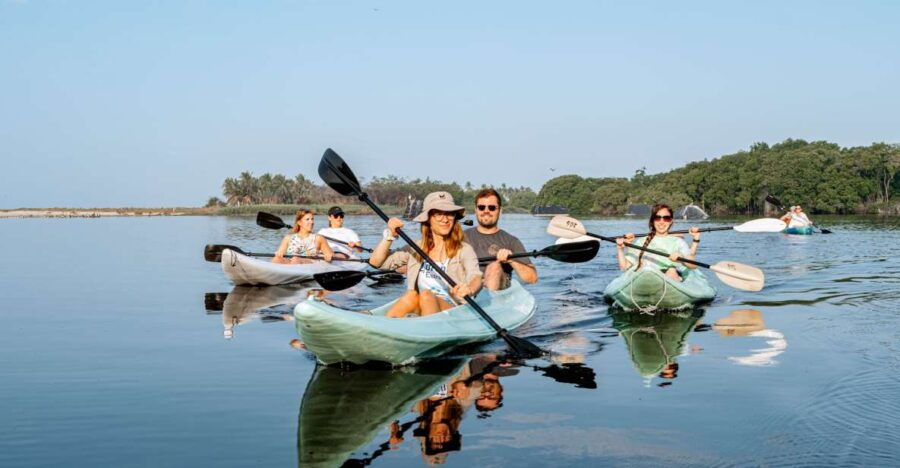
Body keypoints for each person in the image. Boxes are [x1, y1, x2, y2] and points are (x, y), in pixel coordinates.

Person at [369, 191, 482, 318]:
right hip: (421, 305)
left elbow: (476, 276)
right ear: (428, 219)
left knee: (426, 295)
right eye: (438, 214)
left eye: (449, 214)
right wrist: (390, 235)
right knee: (411, 295)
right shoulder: (416, 248)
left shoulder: (464, 249)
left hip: (454, 309)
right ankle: (388, 324)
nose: (445, 219)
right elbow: (376, 262)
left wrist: (470, 289)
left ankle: (422, 327)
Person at [463, 188, 537, 291]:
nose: (486, 211)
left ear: (500, 211)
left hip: (498, 292)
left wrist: (511, 260)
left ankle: (487, 298)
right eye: (481, 207)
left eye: (492, 208)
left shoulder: (511, 241)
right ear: (476, 210)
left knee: (494, 267)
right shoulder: (461, 237)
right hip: (468, 289)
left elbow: (532, 278)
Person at [615, 204, 700, 282]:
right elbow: (624, 267)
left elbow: (693, 265)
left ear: (670, 221)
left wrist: (681, 258)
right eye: (657, 218)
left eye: (666, 218)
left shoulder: (679, 242)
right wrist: (620, 249)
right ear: (653, 221)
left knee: (672, 270)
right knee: (643, 268)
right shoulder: (641, 242)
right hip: (646, 276)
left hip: (671, 277)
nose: (661, 222)